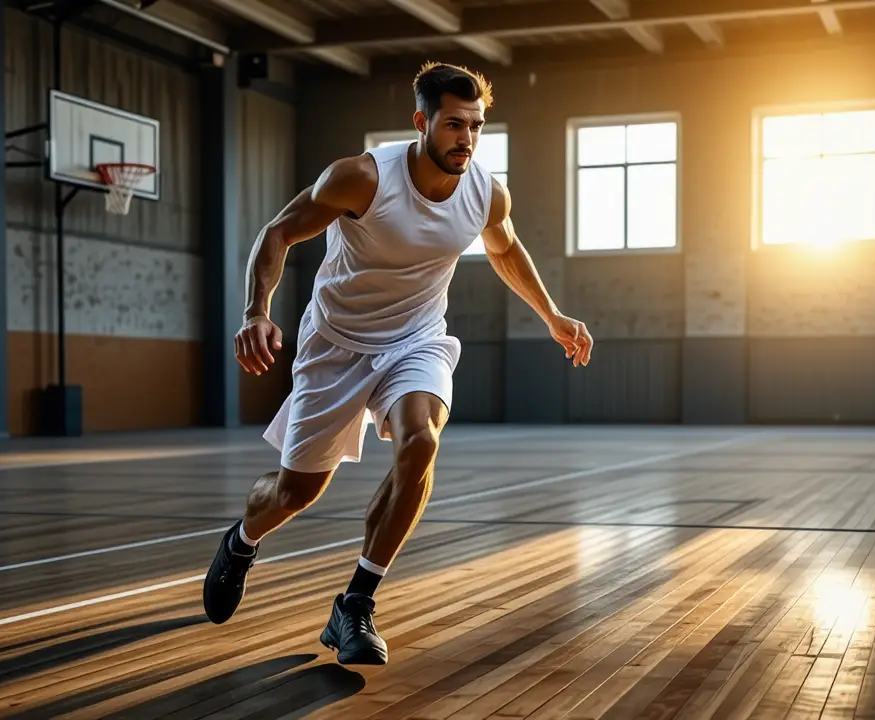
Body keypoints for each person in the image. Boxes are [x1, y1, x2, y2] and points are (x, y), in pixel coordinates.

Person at [201, 61, 594, 666]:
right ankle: (243, 540)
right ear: (421, 122)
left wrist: (552, 315)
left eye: (477, 126)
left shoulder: (486, 191)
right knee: (295, 491)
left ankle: (355, 602)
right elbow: (278, 233)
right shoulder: (361, 178)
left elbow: (505, 248)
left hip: (416, 339)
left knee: (420, 442)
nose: (466, 138)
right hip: (336, 345)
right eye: (454, 124)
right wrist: (257, 310)